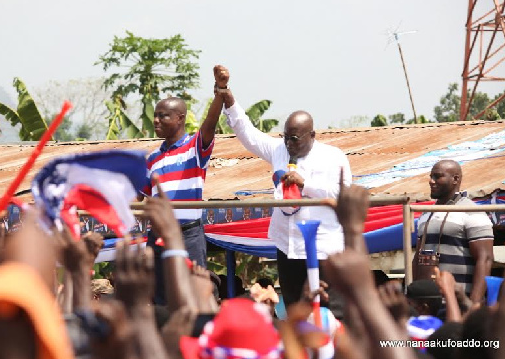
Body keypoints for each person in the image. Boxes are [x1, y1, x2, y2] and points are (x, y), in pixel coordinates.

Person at [217, 66, 351, 307]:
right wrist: (228, 96)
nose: (288, 143)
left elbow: (344, 195)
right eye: (285, 136)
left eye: (294, 138)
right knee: (294, 308)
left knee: (329, 310)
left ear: (312, 134)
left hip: (322, 247)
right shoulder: (280, 150)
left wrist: (305, 183)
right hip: (287, 245)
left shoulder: (334, 156)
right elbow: (248, 134)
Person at [142, 65, 227, 304]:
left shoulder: (194, 148)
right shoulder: (152, 159)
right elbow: (139, 200)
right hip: (157, 236)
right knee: (159, 299)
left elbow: (209, 124)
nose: (156, 120)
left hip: (187, 233)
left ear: (180, 119)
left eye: (163, 116)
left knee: (193, 295)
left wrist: (220, 92)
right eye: (155, 115)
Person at [413, 160, 494, 303]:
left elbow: (485, 258)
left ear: (455, 179)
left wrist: (473, 303)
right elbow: (418, 257)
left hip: (458, 302)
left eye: (438, 176)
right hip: (428, 304)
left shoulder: (472, 211)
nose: (431, 181)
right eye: (431, 177)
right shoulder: (425, 214)